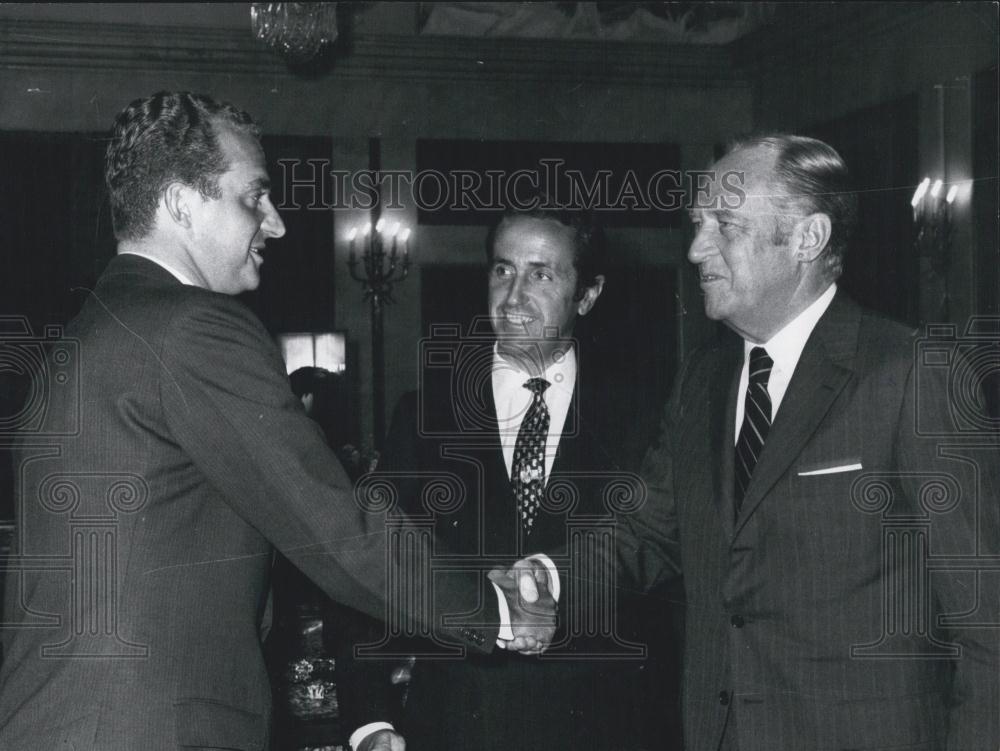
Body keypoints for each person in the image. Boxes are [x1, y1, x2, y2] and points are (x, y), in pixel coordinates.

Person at [0, 91, 553, 750]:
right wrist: (493, 609)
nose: (278, 222)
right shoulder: (194, 329)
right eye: (253, 197)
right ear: (180, 202)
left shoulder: (93, 331)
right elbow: (334, 526)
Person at [606, 134, 999, 749]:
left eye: (725, 225)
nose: (695, 248)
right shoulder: (700, 380)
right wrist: (547, 580)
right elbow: (650, 535)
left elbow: (988, 626)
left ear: (807, 239)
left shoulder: (914, 373)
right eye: (697, 223)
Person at [337, 205, 680, 751]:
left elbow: (666, 565)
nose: (514, 295)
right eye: (502, 270)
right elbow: (368, 566)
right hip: (455, 727)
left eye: (541, 274)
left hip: (606, 728)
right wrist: (371, 721)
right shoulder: (426, 417)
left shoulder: (646, 416)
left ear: (587, 295)